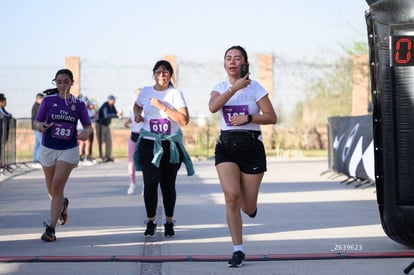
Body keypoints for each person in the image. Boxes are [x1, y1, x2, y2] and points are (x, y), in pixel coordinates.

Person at [208, 45, 277, 267]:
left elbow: (271, 117)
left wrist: (249, 117)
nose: (232, 61)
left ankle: (251, 207)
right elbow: (212, 107)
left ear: (245, 63)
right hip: (226, 147)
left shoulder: (255, 87)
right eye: (228, 58)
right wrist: (234, 88)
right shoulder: (219, 88)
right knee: (231, 197)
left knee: (247, 207)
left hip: (252, 148)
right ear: (224, 64)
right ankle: (238, 249)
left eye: (237, 58)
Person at [133, 60, 194, 238]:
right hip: (148, 143)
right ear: (153, 74)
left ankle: (168, 221)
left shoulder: (175, 94)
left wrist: (162, 107)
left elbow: (183, 120)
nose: (162, 75)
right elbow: (137, 105)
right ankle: (151, 221)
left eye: (166, 72)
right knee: (150, 182)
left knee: (168, 185)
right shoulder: (145, 92)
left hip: (169, 144)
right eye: (158, 72)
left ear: (170, 75)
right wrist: (138, 114)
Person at [34, 69, 92, 242]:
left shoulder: (78, 104)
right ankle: (62, 205)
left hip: (68, 149)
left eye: (66, 81)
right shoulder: (47, 101)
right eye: (58, 82)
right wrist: (40, 125)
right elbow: (36, 121)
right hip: (48, 148)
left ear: (71, 83)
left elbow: (88, 126)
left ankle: (51, 229)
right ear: (55, 83)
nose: (62, 85)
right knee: (51, 189)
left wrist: (85, 133)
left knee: (57, 185)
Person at [124, 88, 143, 196]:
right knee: (131, 162)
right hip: (133, 136)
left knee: (145, 162)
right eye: (136, 95)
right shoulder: (132, 108)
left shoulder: (146, 107)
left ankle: (146, 186)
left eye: (140, 95)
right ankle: (132, 183)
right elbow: (132, 118)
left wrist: (142, 118)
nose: (138, 97)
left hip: (143, 137)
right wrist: (127, 122)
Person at [96, 95, 122, 162]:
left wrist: (118, 114)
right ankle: (101, 156)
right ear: (109, 100)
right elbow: (106, 115)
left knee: (109, 141)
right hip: (100, 125)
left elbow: (115, 114)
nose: (114, 101)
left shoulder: (112, 106)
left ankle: (107, 156)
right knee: (100, 141)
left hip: (107, 125)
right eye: (113, 100)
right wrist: (115, 114)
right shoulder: (105, 105)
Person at [31, 93, 45, 166]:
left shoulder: (37, 105)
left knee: (37, 144)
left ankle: (35, 160)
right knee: (41, 143)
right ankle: (38, 160)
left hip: (36, 127)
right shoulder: (37, 106)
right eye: (42, 99)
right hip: (37, 127)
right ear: (38, 99)